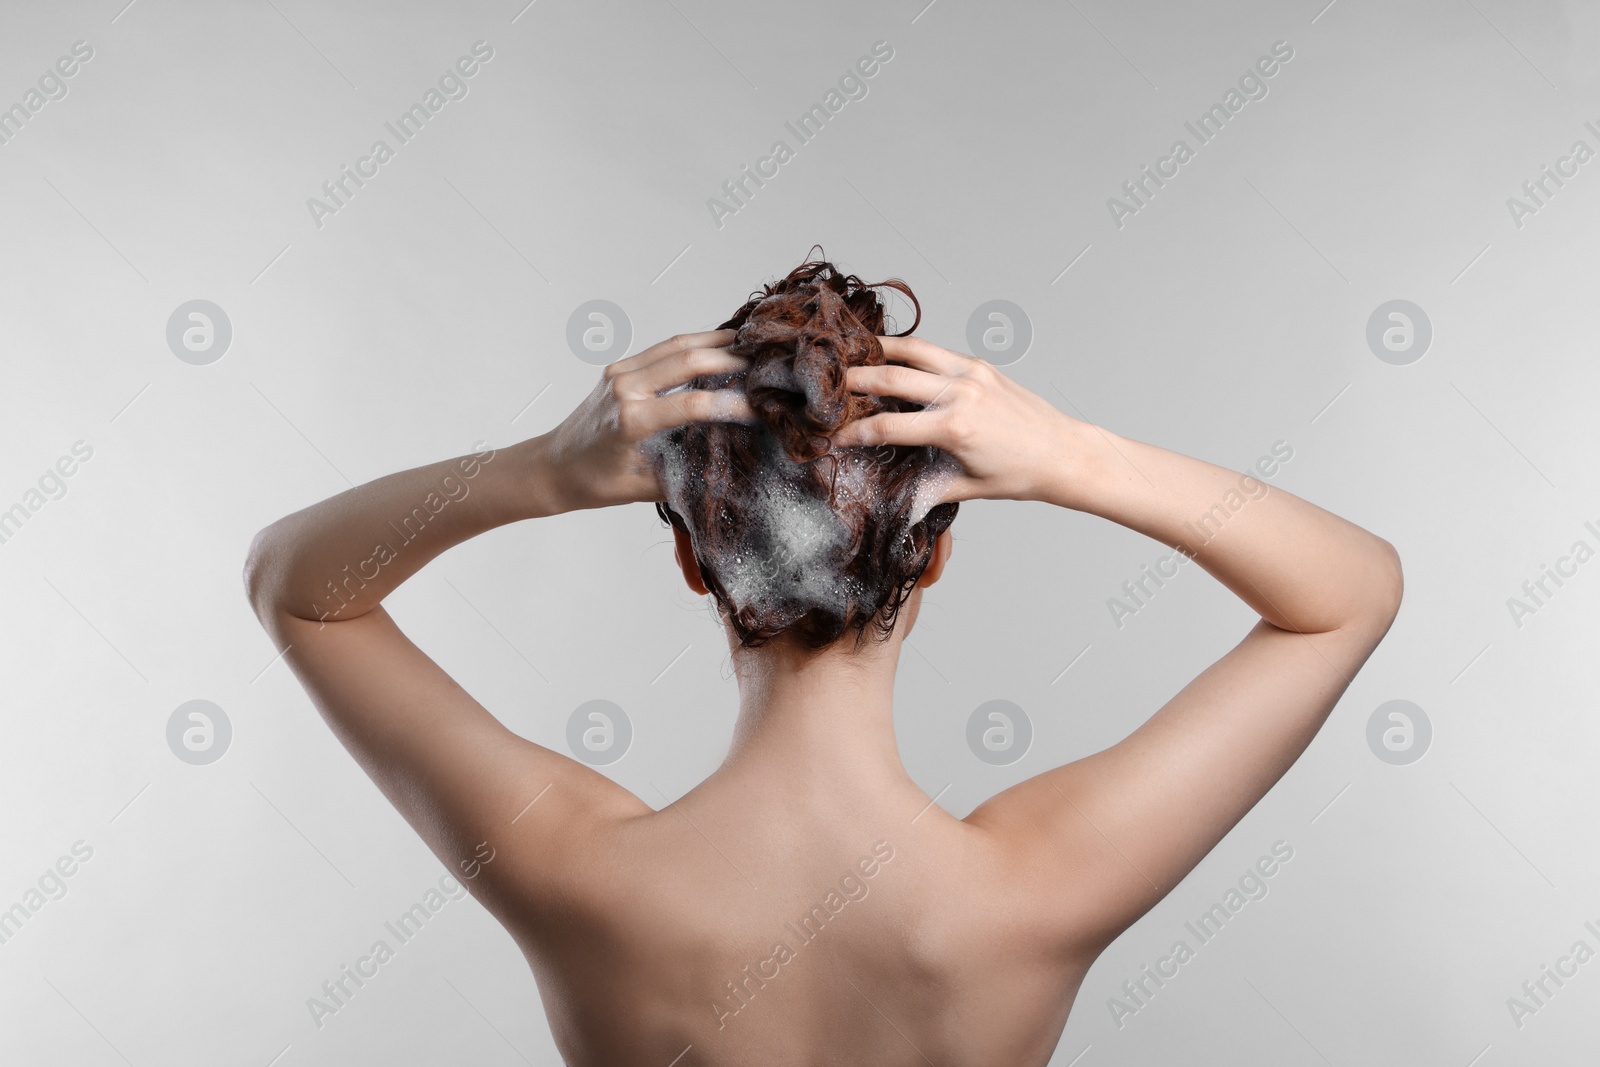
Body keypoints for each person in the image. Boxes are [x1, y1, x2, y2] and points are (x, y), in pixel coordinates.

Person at [244, 257, 1402, 1066]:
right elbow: (1349, 594)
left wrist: (545, 469)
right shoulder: (1034, 891)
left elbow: (297, 588)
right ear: (931, 564)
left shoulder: (576, 875)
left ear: (697, 568)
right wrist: (1069, 454)